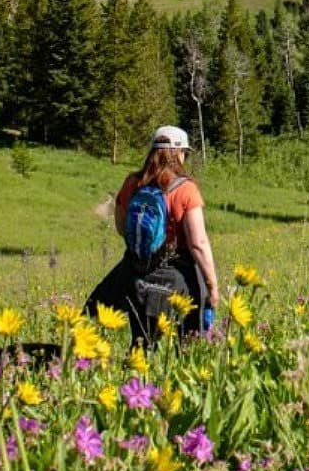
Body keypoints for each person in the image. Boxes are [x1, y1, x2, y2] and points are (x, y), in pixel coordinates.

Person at [85, 125, 219, 344]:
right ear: (178, 153)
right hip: (175, 273)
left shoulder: (131, 183)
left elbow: (122, 229)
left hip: (132, 271)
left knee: (141, 343)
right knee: (190, 340)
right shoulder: (186, 190)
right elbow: (198, 244)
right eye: (185, 152)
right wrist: (212, 287)